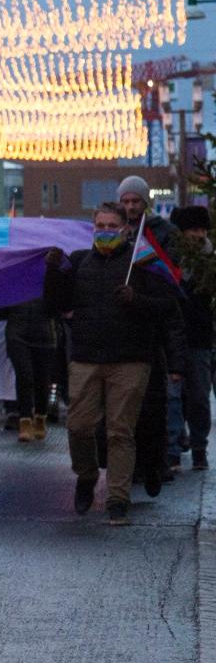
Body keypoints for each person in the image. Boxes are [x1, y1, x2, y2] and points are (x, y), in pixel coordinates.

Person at [43, 201, 187, 524]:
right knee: (79, 426)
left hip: (130, 361)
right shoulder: (80, 262)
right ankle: (87, 475)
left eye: (112, 226)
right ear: (92, 227)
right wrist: (52, 272)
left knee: (120, 432)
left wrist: (137, 300)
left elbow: (169, 306)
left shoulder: (143, 263)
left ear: (125, 230)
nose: (105, 231)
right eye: (100, 225)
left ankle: (117, 499)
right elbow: (56, 304)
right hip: (86, 359)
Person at [118, 177, 180, 486]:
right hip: (123, 332)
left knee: (154, 403)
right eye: (125, 202)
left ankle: (157, 461)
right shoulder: (115, 231)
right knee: (127, 406)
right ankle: (133, 464)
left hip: (153, 331)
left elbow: (170, 286)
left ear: (145, 203)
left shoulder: (162, 235)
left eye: (135, 202)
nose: (130, 207)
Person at [172, 205, 216, 470]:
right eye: (192, 230)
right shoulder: (173, 261)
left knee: (199, 396)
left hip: (200, 338)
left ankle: (199, 446)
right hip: (175, 336)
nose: (197, 235)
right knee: (174, 397)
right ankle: (175, 446)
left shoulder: (210, 262)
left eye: (201, 230)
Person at [0, 295, 61, 443]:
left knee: (42, 380)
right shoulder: (13, 279)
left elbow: (59, 307)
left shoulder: (50, 278)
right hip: (17, 334)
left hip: (45, 335)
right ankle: (24, 420)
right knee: (24, 376)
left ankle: (40, 416)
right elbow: (1, 309)